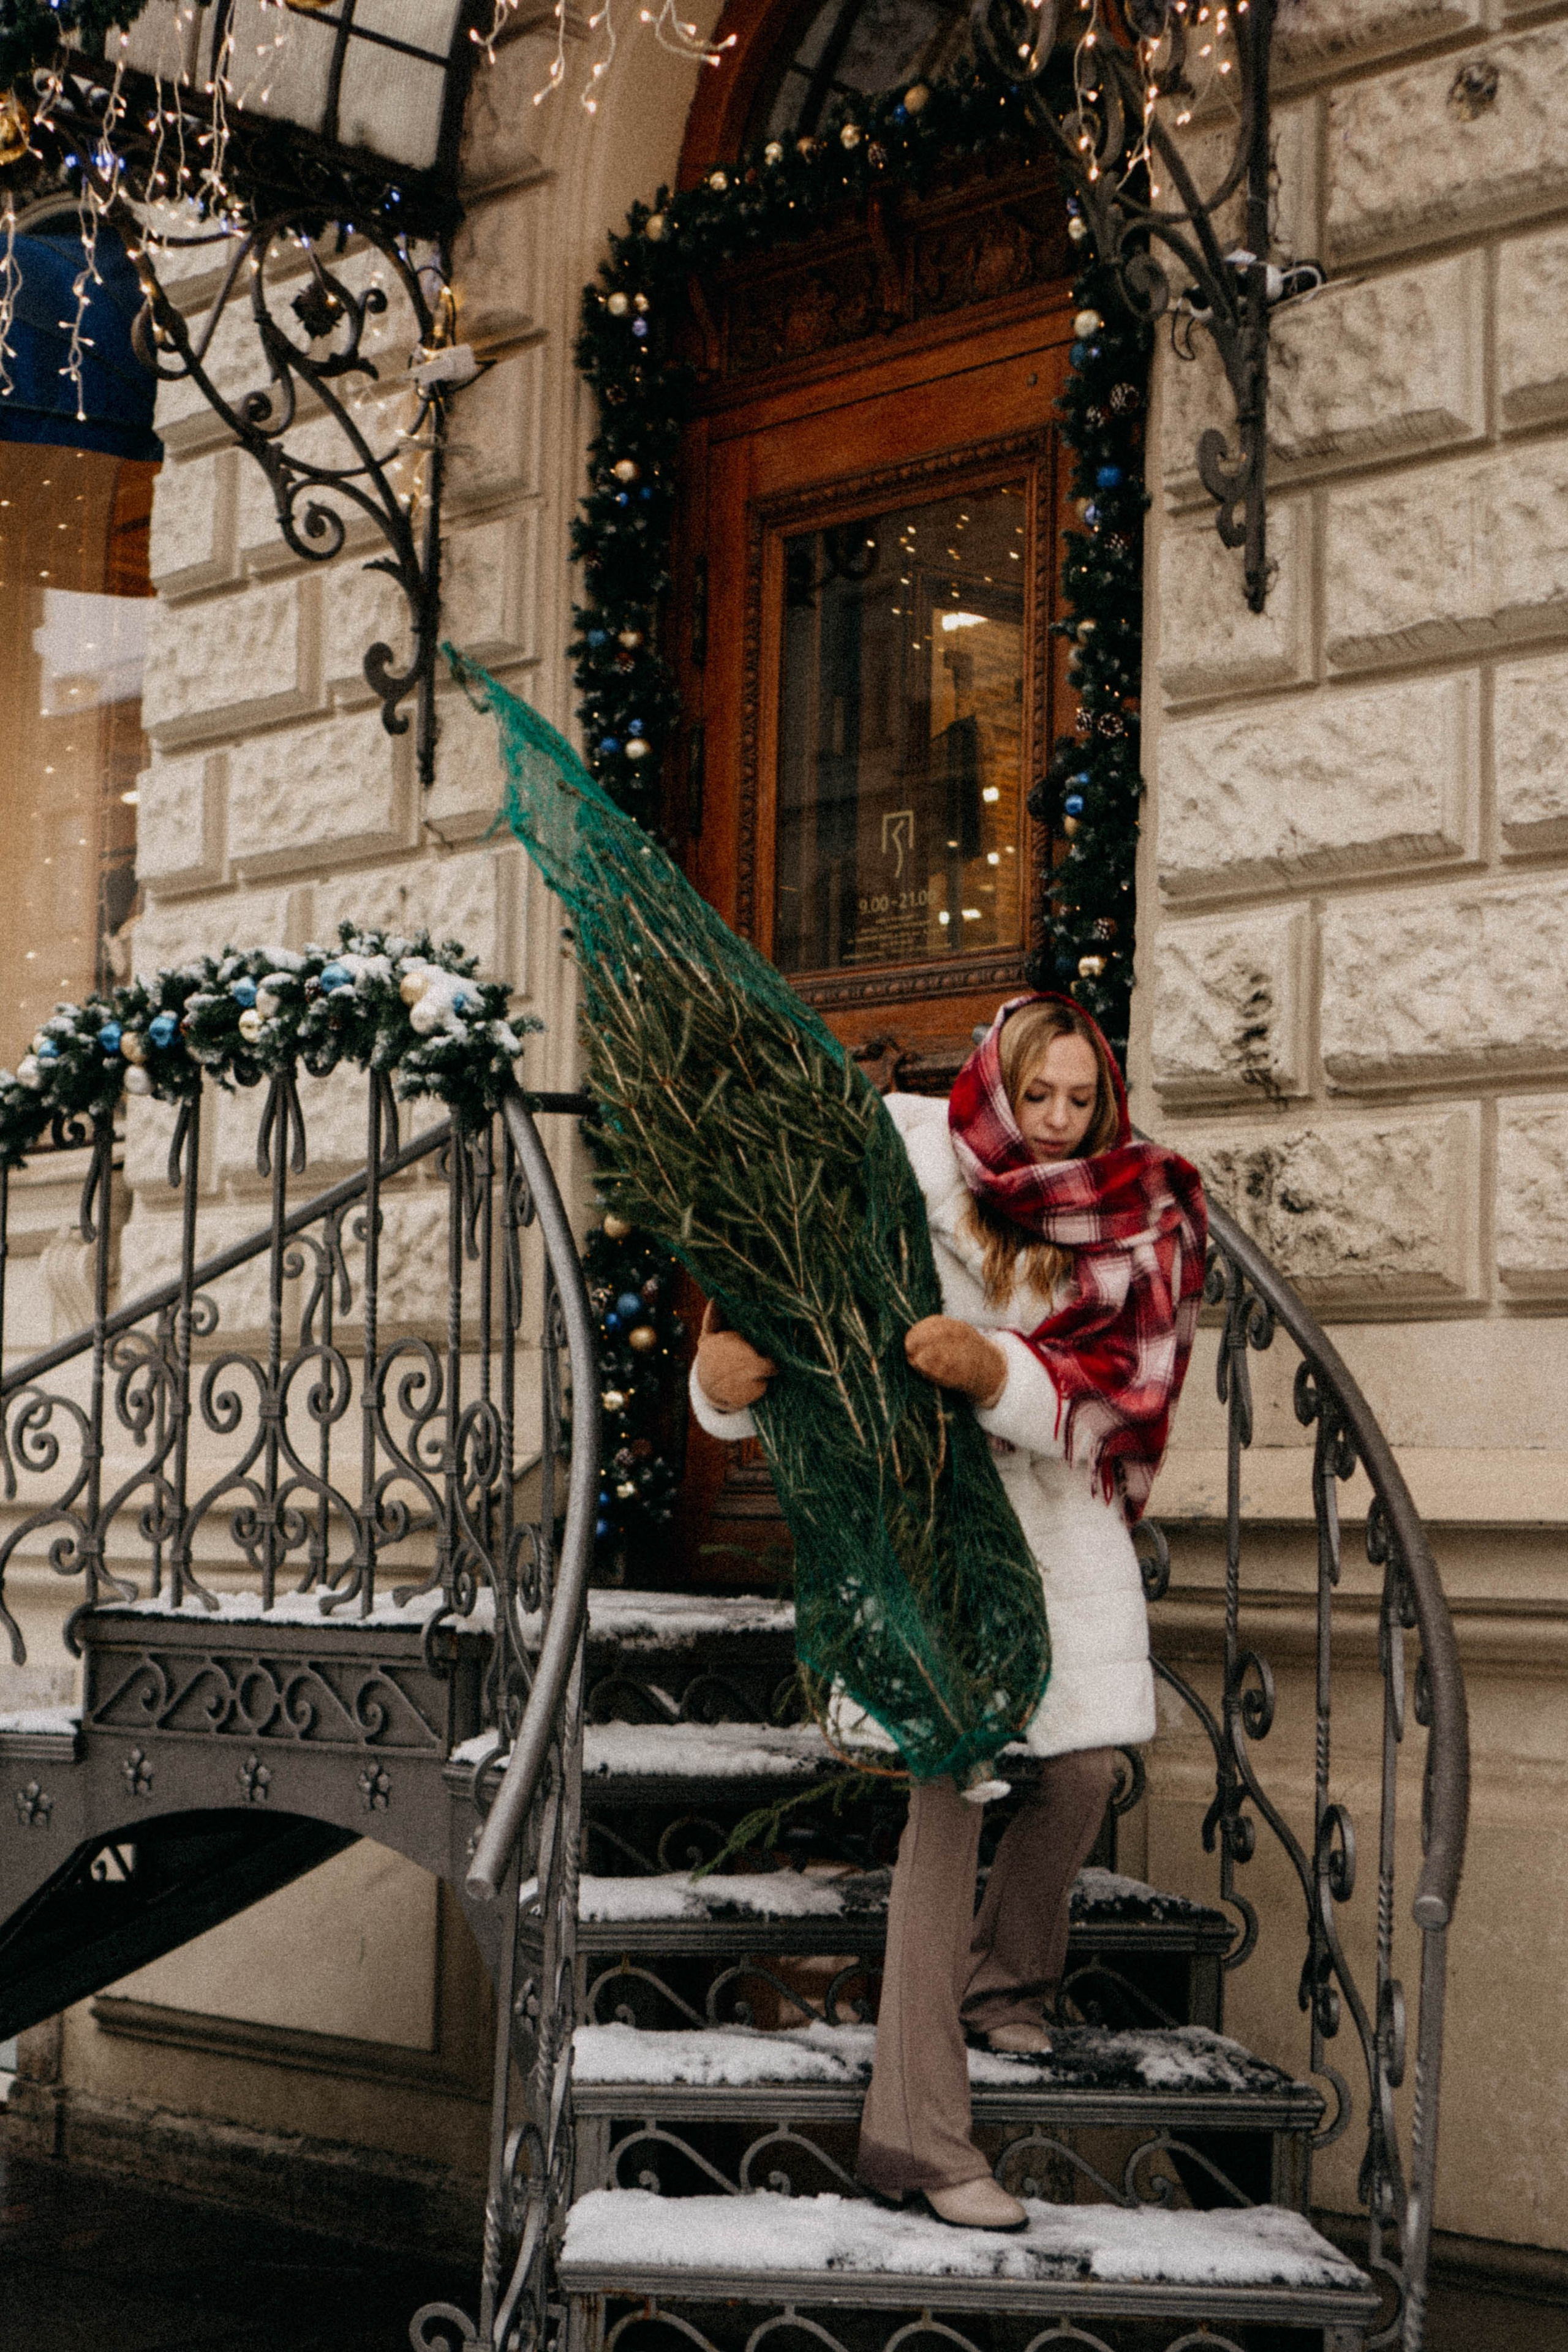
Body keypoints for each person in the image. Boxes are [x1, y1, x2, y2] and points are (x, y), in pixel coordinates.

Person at [690, 993, 1207, 2234]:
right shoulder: (900, 1159)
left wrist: (1002, 1374)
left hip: (1054, 1513)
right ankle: (915, 2136)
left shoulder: (1133, 1205)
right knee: (950, 1791)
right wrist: (723, 1388)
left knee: (1079, 1771)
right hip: (924, 1525)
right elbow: (783, 1300)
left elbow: (1119, 1389)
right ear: (993, 1081)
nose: (1058, 1121)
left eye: (1082, 1100)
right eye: (1039, 1097)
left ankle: (1000, 1981)